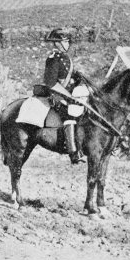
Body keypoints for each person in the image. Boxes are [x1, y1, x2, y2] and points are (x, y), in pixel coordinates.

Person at [43, 28, 90, 164]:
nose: (68, 43)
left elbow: (68, 74)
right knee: (70, 114)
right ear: (57, 43)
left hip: (69, 93)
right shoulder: (53, 59)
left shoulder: (65, 57)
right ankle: (73, 152)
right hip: (57, 95)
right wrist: (68, 96)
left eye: (68, 41)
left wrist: (79, 77)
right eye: (65, 41)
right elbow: (50, 83)